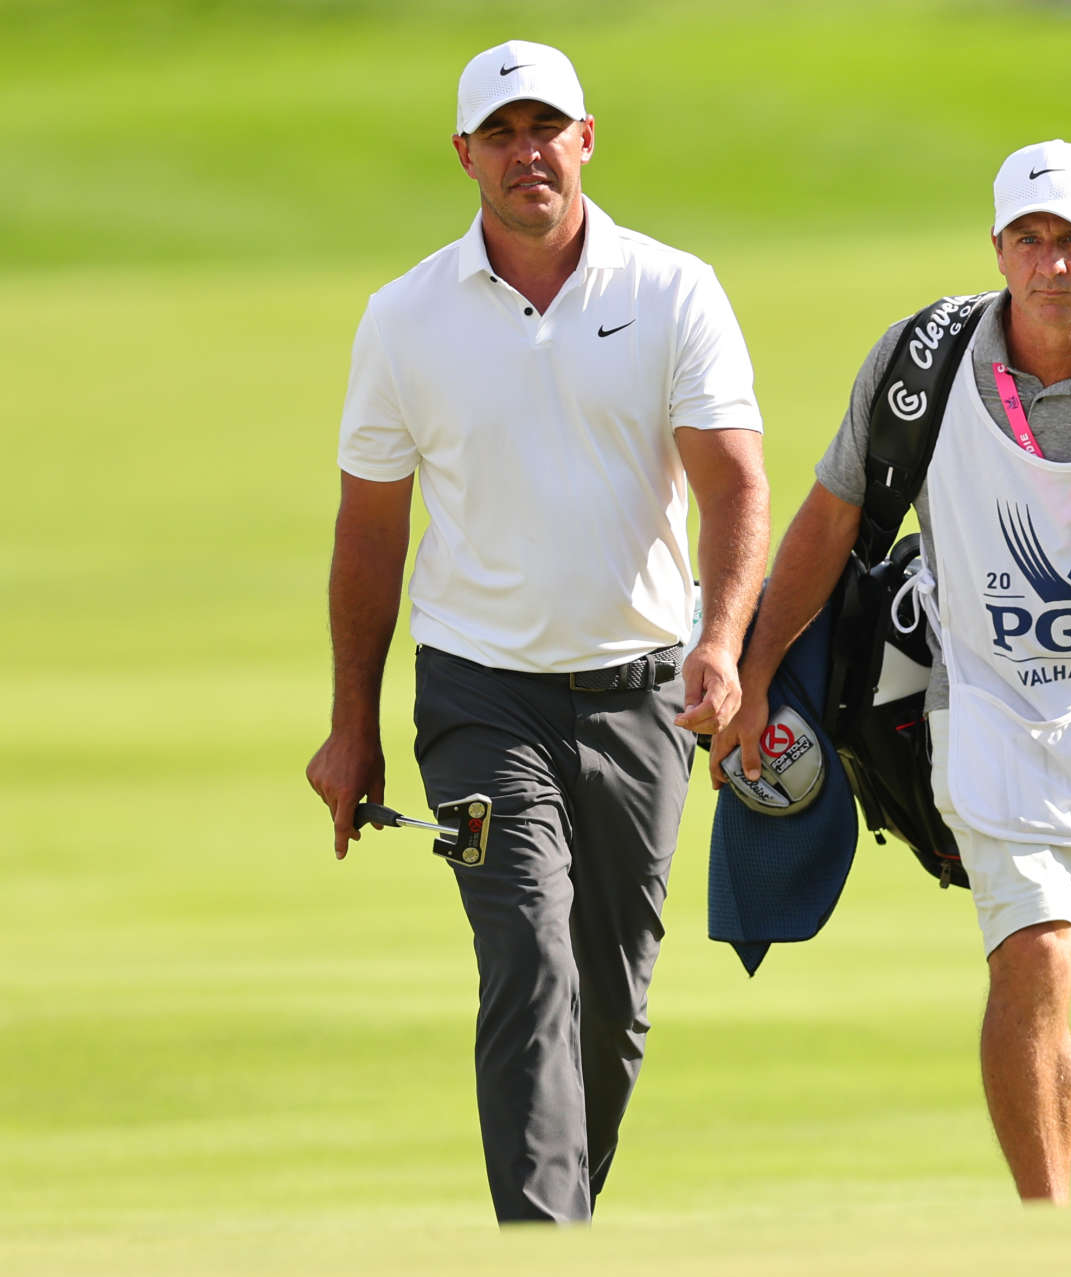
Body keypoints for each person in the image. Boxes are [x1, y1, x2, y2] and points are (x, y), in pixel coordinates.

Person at [710, 140, 1071, 1205]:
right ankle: (1043, 1228)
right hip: (989, 713)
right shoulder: (920, 366)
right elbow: (831, 520)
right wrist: (754, 666)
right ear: (999, 248)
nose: (1051, 264)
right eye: (1030, 240)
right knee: (1033, 958)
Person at [305, 39, 769, 1224]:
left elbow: (734, 490)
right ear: (465, 155)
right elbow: (369, 534)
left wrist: (721, 646)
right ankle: (539, 1241)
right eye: (500, 135)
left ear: (586, 139)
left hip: (644, 697)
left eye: (545, 129)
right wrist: (349, 725)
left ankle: (560, 1217)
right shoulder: (403, 318)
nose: (527, 155)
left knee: (613, 998)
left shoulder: (673, 291)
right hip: (472, 703)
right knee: (524, 955)